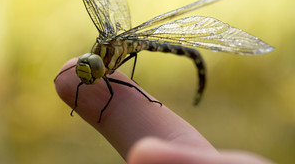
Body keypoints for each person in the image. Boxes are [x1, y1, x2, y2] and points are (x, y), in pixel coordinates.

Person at [55, 58, 276, 164]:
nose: (83, 76)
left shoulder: (108, 68)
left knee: (125, 89)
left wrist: (102, 113)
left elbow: (112, 95)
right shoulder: (91, 66)